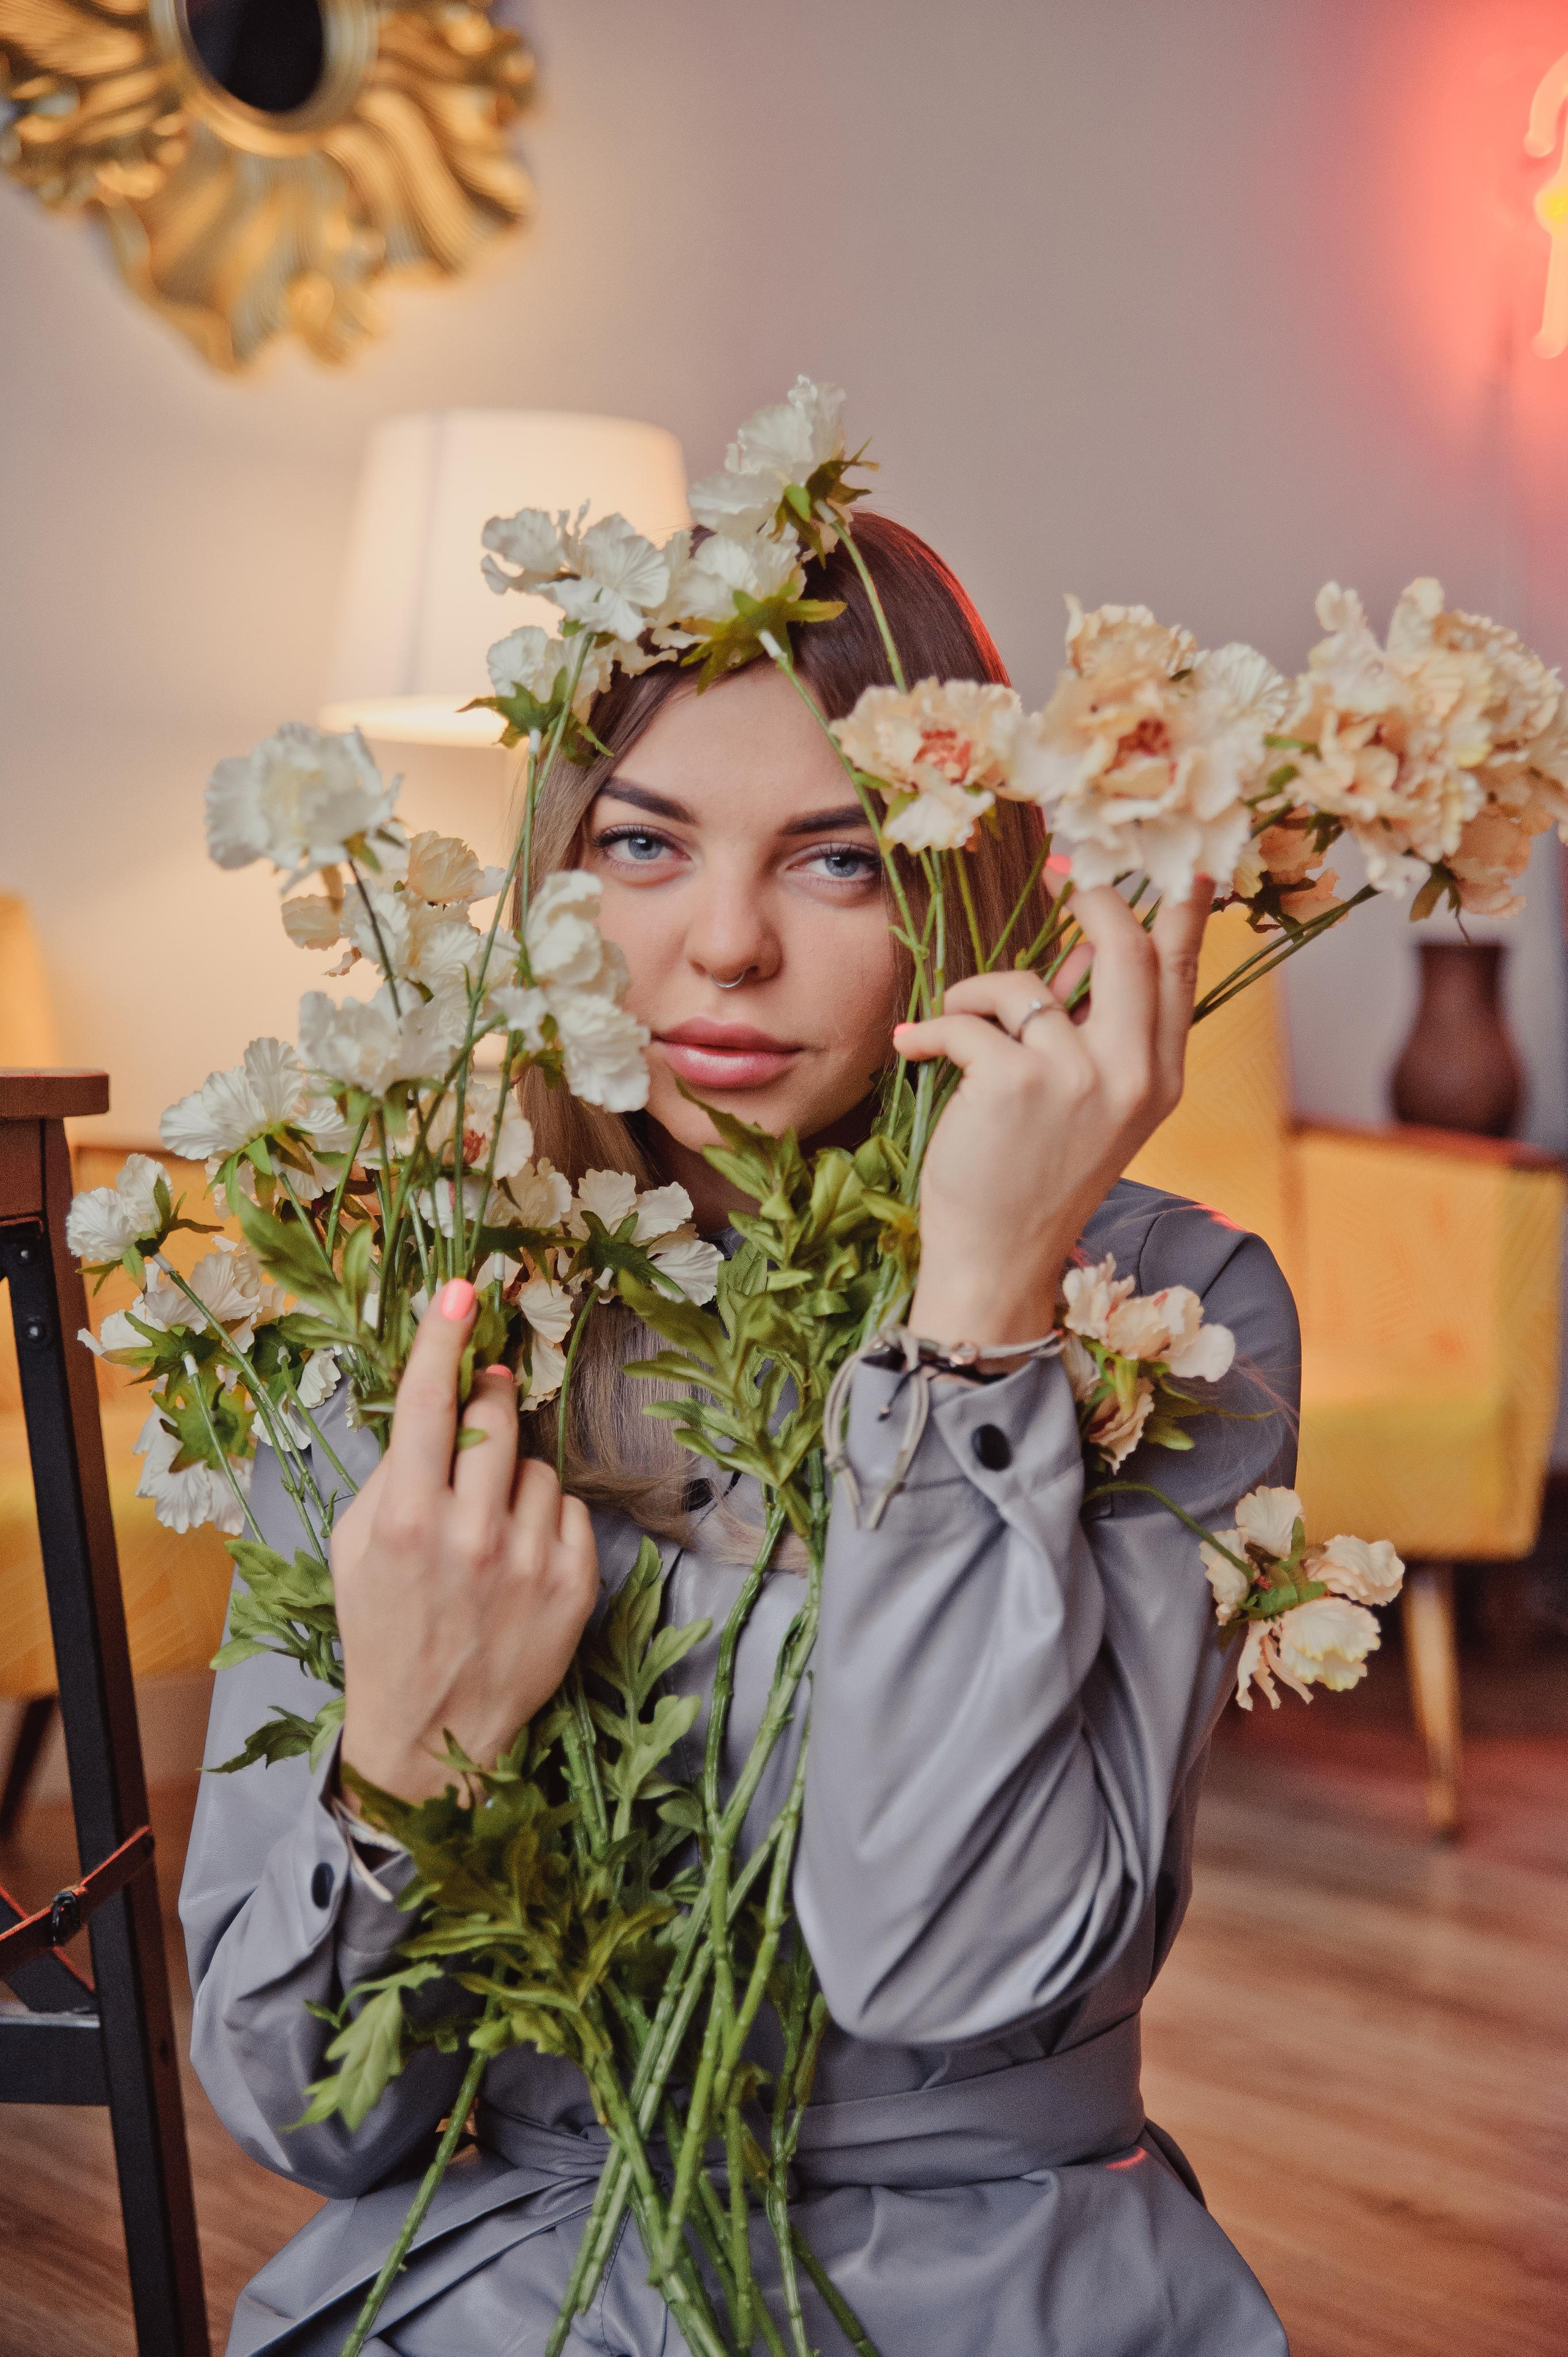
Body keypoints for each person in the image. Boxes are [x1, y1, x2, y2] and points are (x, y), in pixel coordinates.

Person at [181, 516, 1298, 2355]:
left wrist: (979, 1323)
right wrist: (401, 1760)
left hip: (986, 2284)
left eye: (839, 861)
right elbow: (305, 2117)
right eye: (642, 843)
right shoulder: (407, 1316)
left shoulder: (1170, 1318)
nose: (724, 947)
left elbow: (951, 1971)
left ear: (968, 886)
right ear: (556, 874)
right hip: (502, 2281)